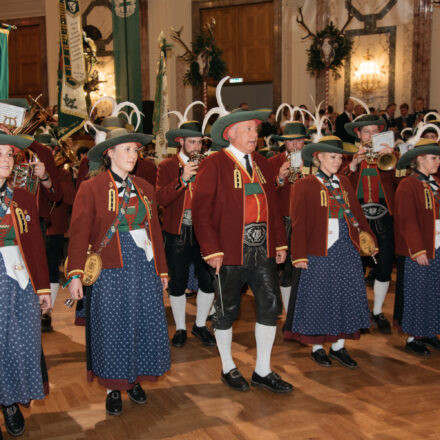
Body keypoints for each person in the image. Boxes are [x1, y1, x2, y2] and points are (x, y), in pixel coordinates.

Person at [192, 77, 293, 393]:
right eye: (248, 129)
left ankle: (263, 370)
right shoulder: (214, 164)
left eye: (256, 130)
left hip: (261, 250)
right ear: (230, 134)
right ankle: (228, 366)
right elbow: (201, 211)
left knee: (270, 305)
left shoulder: (262, 163)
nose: (255, 134)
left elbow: (273, 207)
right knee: (227, 311)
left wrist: (279, 242)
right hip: (228, 252)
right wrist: (211, 249)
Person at [67, 125, 170, 416]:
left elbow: (155, 233)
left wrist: (161, 270)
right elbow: (79, 234)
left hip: (144, 267)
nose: (133, 154)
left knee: (141, 324)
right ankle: (114, 387)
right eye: (126, 149)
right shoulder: (91, 188)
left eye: (135, 149)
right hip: (110, 270)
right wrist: (75, 274)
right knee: (112, 328)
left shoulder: (146, 188)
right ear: (109, 152)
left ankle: (134, 378)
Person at [286, 137, 377, 368]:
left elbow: (357, 214)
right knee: (320, 297)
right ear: (319, 158)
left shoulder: (344, 182)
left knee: (345, 295)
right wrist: (299, 255)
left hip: (346, 246)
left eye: (339, 157)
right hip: (319, 249)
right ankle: (318, 348)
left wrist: (369, 239)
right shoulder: (304, 185)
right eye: (332, 157)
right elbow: (299, 223)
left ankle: (339, 347)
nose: (337, 161)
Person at [0, 131, 51, 437]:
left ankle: (10, 402)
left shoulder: (20, 196)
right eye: (0, 154)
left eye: (9, 154)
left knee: (21, 344)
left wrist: (43, 288)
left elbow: (34, 244)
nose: (6, 160)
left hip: (19, 279)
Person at [156, 118, 215, 348]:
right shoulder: (167, 166)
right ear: (180, 142)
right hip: (177, 232)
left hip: (203, 231)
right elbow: (160, 199)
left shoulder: (208, 164)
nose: (197, 147)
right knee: (177, 282)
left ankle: (200, 325)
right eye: (192, 142)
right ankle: (180, 327)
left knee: (208, 281)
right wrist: (182, 179)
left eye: (200, 142)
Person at [344, 108, 397, 333]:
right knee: (356, 269)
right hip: (357, 221)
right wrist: (354, 164)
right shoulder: (348, 158)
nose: (371, 136)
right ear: (359, 135)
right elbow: (339, 184)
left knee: (384, 268)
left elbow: (399, 182)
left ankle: (377, 312)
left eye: (375, 131)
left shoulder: (390, 156)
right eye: (367, 132)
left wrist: (393, 157)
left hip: (384, 219)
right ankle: (359, 312)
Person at [394, 138, 440, 355]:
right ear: (419, 159)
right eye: (434, 158)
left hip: (437, 245)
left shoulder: (437, 183)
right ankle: (413, 336)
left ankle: (431, 331)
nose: (438, 161)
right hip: (420, 248)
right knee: (418, 292)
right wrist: (418, 248)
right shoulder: (408, 185)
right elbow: (407, 220)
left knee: (435, 291)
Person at [268, 119, 308, 314]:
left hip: (305, 220)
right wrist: (279, 178)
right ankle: (284, 309)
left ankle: (298, 307)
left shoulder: (311, 162)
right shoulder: (273, 162)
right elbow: (266, 194)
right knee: (280, 267)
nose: (295, 145)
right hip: (282, 221)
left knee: (301, 265)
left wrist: (307, 175)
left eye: (299, 141)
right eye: (290, 141)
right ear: (284, 142)